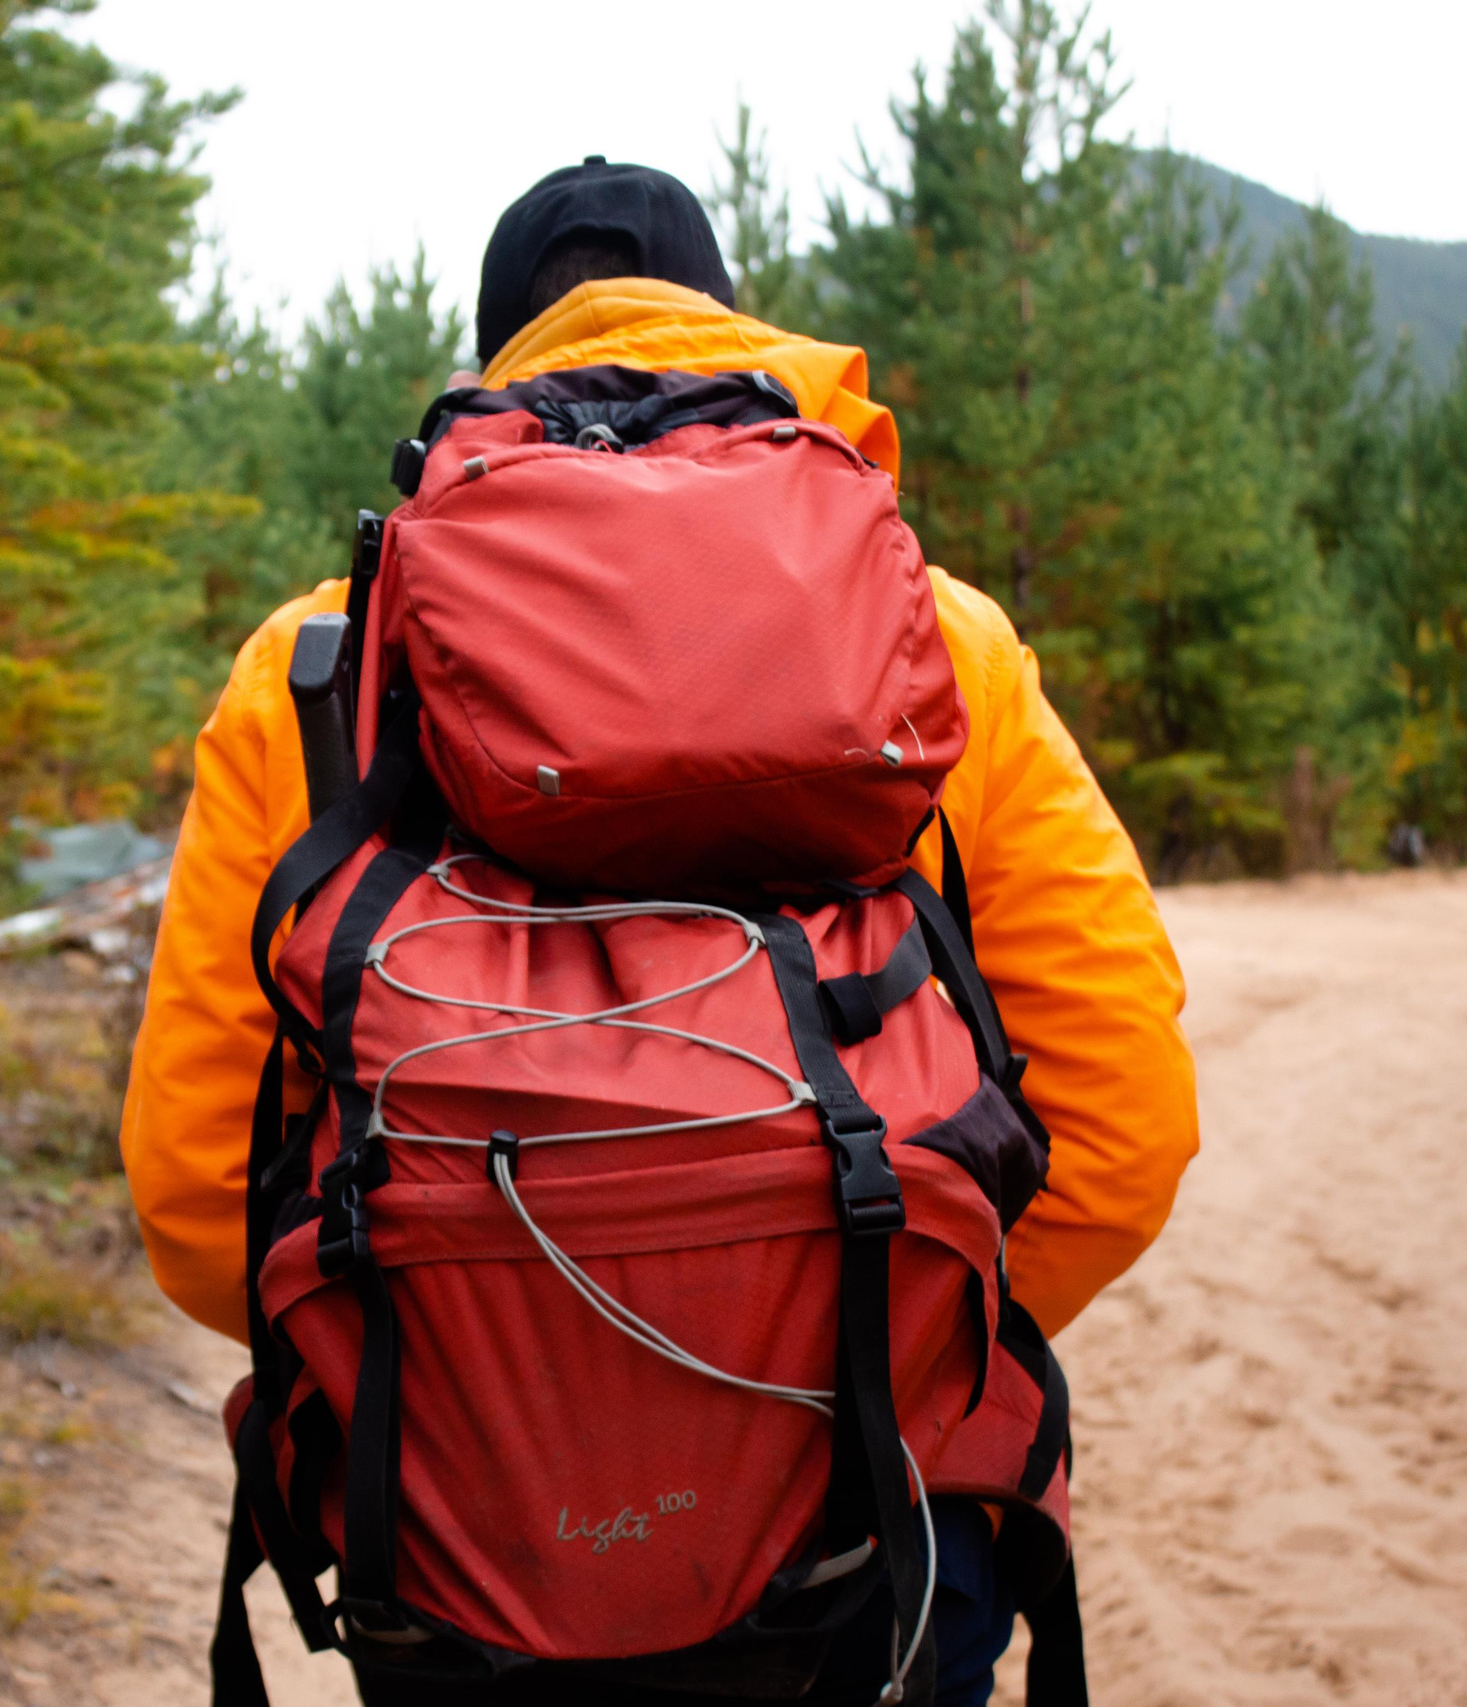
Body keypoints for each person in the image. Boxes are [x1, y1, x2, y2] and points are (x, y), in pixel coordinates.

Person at [121, 157, 1199, 1706]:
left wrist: (472, 1372)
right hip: (879, 1548)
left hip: (462, 1560)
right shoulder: (933, 634)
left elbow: (193, 1191)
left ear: (496, 364)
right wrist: (889, 1336)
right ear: (722, 326)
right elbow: (1125, 1127)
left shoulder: (321, 671)